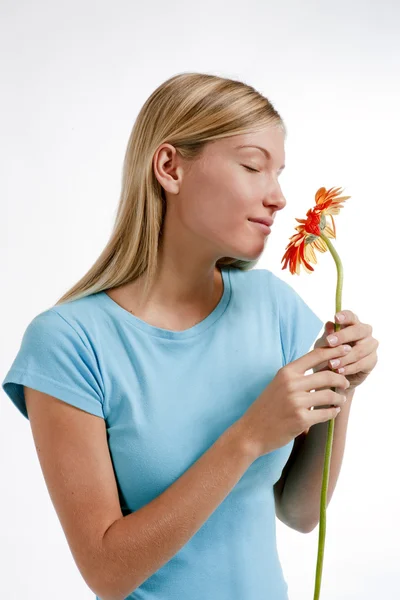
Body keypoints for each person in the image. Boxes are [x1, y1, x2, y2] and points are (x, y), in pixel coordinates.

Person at [3, 72, 334, 600]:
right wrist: (248, 437)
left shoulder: (274, 306)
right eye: (253, 165)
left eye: (279, 172)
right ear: (170, 167)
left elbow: (299, 513)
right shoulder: (68, 344)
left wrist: (342, 385)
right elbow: (107, 574)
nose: (278, 197)